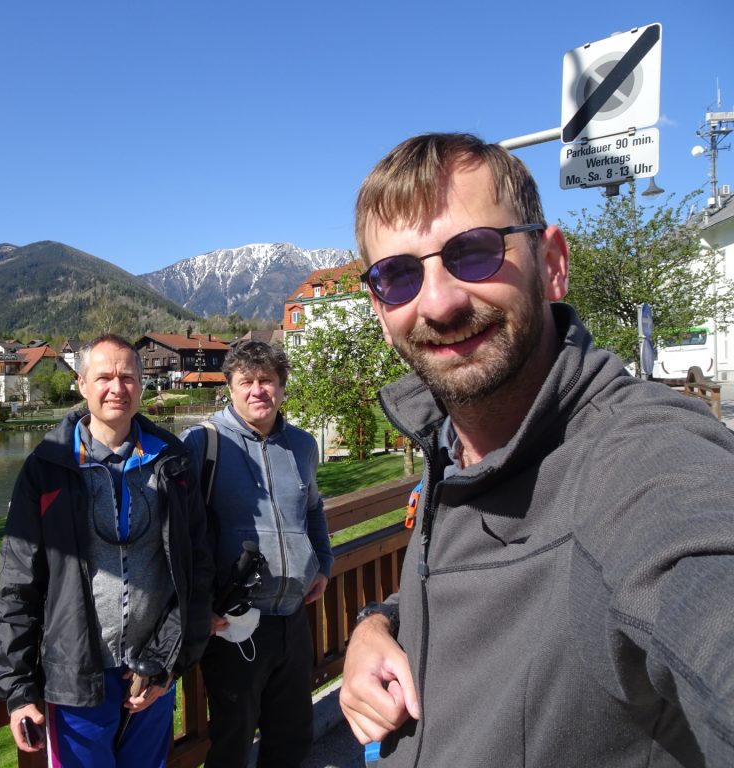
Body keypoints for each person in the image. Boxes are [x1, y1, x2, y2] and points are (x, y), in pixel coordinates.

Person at [338, 132, 734, 767]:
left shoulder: (636, 456)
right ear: (380, 306)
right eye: (399, 275)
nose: (438, 302)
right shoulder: (450, 448)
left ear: (552, 263)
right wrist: (375, 625)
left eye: (474, 253)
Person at [0, 334, 213, 767]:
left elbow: (196, 570)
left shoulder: (172, 461)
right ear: (82, 384)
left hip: (148, 675)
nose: (117, 387)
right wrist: (18, 689)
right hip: (76, 677)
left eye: (128, 377)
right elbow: (18, 583)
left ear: (142, 384)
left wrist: (165, 662)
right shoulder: (47, 468)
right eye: (104, 377)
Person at [182, 340, 333, 768]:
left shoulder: (302, 445)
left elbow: (313, 509)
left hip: (293, 617)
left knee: (291, 737)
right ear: (229, 388)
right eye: (245, 381)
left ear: (282, 387)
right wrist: (199, 604)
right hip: (232, 624)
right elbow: (178, 533)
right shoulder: (201, 444)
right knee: (231, 741)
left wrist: (322, 562)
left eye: (267, 381)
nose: (257, 391)